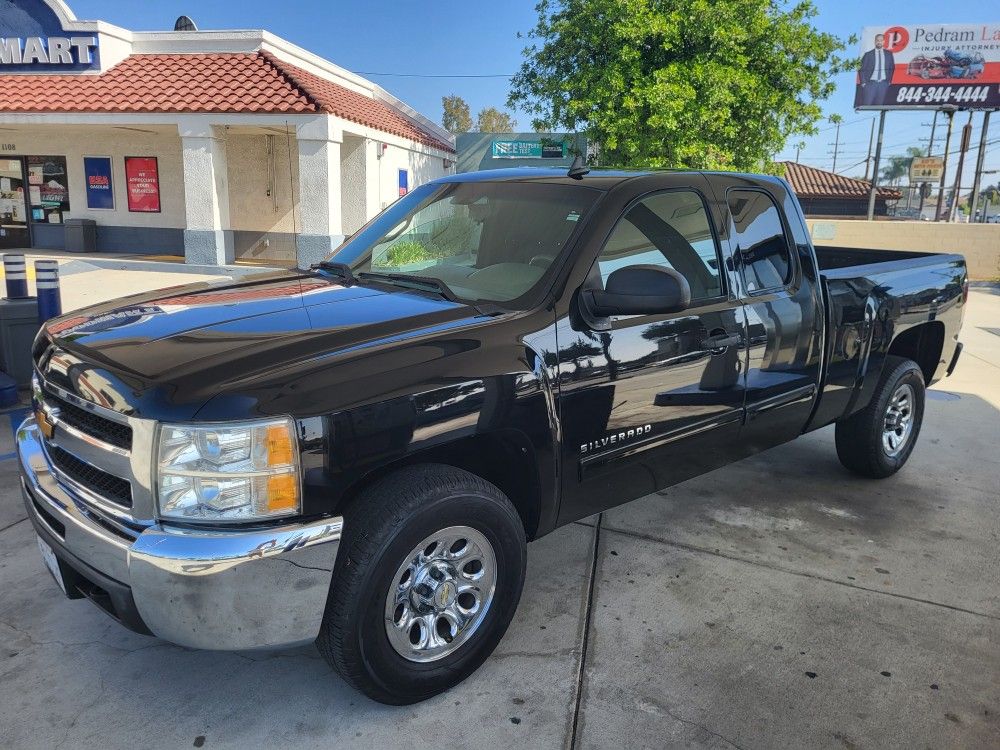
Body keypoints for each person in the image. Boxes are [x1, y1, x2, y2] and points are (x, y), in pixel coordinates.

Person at [859, 34, 895, 107]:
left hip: (883, 84)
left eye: (881, 40)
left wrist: (889, 81)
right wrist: (863, 83)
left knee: (880, 107)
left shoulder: (889, 54)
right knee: (866, 106)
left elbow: (892, 67)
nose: (879, 42)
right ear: (875, 41)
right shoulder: (868, 54)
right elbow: (861, 68)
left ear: (884, 42)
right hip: (870, 84)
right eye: (877, 40)